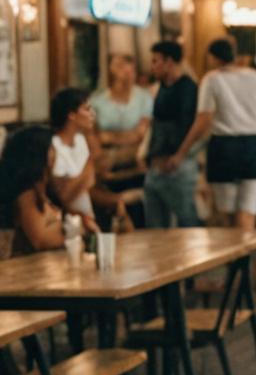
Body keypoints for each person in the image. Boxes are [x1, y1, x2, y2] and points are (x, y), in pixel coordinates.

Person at [170, 38, 256, 230]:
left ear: (213, 58)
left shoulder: (211, 79)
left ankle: (235, 259)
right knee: (248, 213)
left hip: (224, 149)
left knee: (227, 216)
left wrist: (182, 152)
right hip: (252, 148)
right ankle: (245, 259)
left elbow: (203, 120)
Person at [0, 125, 95, 255]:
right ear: (37, 154)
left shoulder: (46, 186)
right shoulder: (25, 194)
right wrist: (78, 231)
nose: (56, 152)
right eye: (51, 147)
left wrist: (82, 220)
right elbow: (41, 239)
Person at [146, 40, 200, 227]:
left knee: (188, 222)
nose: (152, 67)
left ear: (169, 62)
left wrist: (179, 156)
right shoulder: (162, 88)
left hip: (177, 166)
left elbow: (192, 127)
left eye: (155, 61)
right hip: (157, 165)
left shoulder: (188, 89)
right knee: (155, 227)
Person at [49, 87, 97, 221]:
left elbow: (92, 181)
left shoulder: (81, 140)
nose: (92, 113)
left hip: (87, 218)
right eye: (87, 109)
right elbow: (63, 196)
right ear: (72, 115)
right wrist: (86, 176)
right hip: (63, 223)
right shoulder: (53, 146)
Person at [90, 53, 153, 149]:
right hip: (104, 156)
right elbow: (93, 135)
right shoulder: (97, 100)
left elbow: (140, 134)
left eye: (130, 70)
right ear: (111, 71)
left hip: (135, 156)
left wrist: (109, 136)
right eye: (120, 67)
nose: (126, 72)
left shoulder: (144, 98)